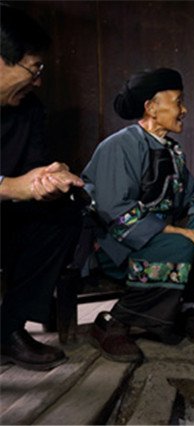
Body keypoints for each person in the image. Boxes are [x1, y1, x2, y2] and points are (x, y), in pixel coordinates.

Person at [82, 68, 194, 363]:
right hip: (117, 246)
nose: (184, 110)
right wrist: (179, 232)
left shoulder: (173, 151)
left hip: (159, 238)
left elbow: (191, 203)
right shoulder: (119, 146)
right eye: (178, 102)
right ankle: (114, 321)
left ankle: (188, 310)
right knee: (181, 243)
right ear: (151, 107)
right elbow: (115, 211)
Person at [0, 6, 85, 371]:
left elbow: (37, 164)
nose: (37, 81)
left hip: (7, 220)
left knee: (63, 212)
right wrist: (9, 187)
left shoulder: (28, 108)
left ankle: (8, 329)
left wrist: (50, 179)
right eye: (33, 69)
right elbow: (14, 186)